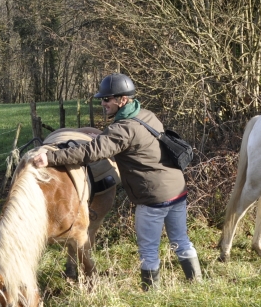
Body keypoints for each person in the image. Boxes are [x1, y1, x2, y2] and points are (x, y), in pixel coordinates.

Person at [30, 73, 200, 290]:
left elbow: (92, 152)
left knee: (148, 249)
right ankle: (196, 283)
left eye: (107, 99)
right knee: (181, 240)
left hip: (152, 197)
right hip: (177, 189)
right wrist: (101, 137)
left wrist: (50, 157)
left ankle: (152, 294)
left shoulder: (122, 129)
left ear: (122, 100)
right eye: (102, 99)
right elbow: (119, 142)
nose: (103, 103)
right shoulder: (147, 115)